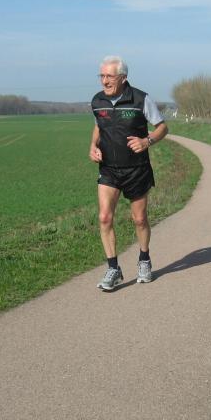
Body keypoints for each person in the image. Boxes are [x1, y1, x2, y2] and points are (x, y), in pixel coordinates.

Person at [89, 55, 168, 291]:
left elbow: (162, 127)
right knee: (105, 217)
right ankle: (113, 268)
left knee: (139, 219)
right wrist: (92, 146)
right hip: (109, 169)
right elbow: (98, 126)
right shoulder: (97, 101)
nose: (104, 81)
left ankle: (144, 259)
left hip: (136, 169)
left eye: (109, 76)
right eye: (101, 76)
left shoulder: (141, 99)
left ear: (123, 78)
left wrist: (147, 141)